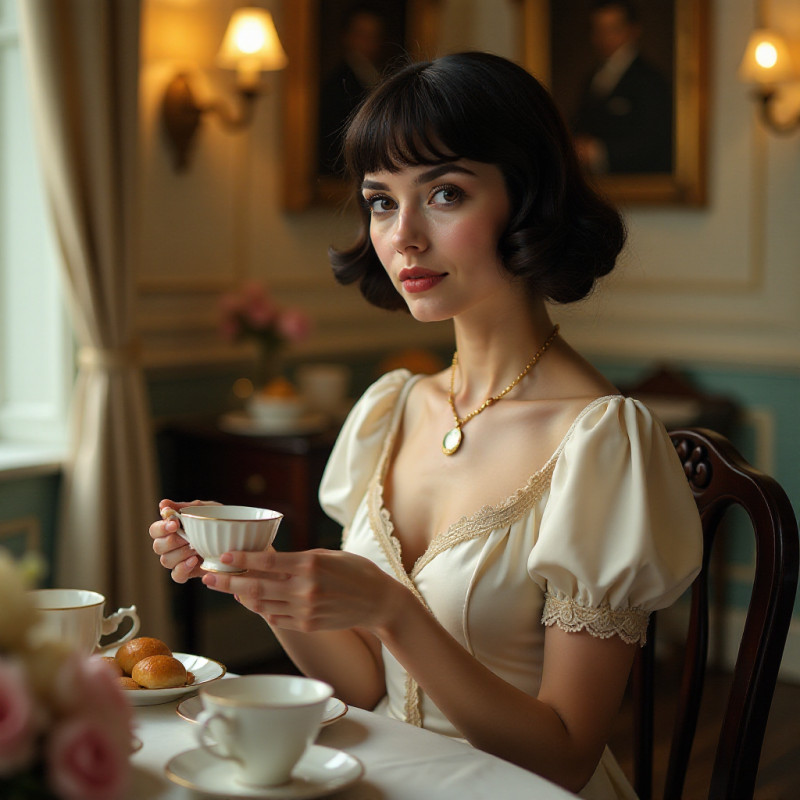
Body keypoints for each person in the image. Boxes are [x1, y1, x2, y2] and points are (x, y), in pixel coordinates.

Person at [150, 52, 702, 799]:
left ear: (527, 200)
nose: (403, 235)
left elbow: (567, 757)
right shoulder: (392, 409)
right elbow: (361, 681)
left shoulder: (602, 442)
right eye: (381, 200)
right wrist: (258, 577)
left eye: (444, 193)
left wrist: (393, 610)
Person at [571, 0, 673, 174]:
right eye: (599, 30)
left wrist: (598, 153)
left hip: (637, 184)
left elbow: (653, 143)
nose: (605, 38)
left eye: (613, 30)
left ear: (633, 31)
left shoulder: (650, 80)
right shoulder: (592, 79)